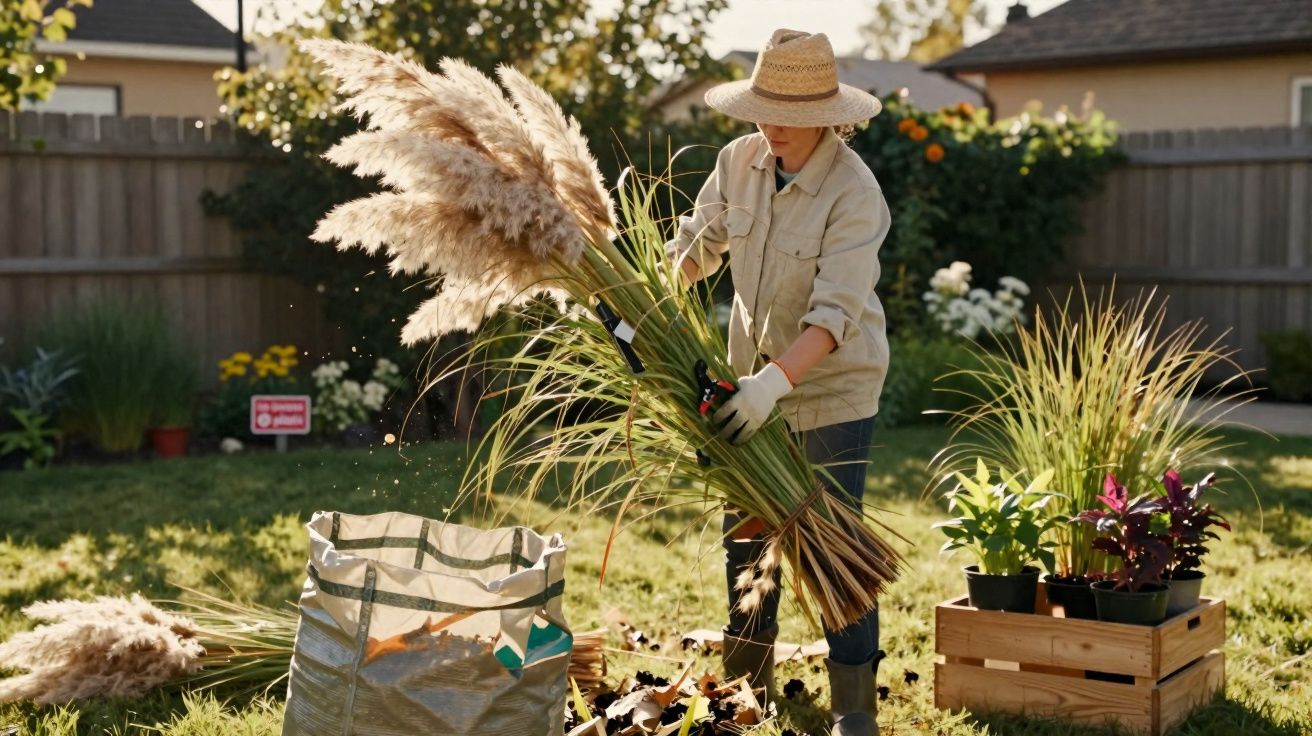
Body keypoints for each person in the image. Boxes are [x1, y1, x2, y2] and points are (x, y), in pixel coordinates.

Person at [665, 29, 891, 736]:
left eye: (785, 115)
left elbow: (833, 318)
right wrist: (657, 284)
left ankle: (854, 713)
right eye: (762, 110)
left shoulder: (855, 193)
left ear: (828, 118)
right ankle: (746, 690)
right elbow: (698, 246)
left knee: (831, 549)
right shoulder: (740, 161)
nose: (770, 128)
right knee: (747, 539)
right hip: (746, 386)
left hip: (829, 390)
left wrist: (772, 384)